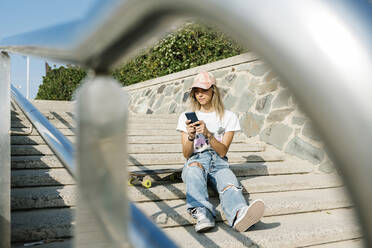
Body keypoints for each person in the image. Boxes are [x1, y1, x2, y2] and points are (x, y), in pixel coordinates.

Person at [176, 71, 265, 233]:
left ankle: (239, 213)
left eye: (203, 90)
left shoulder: (229, 117)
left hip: (219, 161)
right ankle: (202, 213)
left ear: (213, 91)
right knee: (194, 169)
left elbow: (223, 151)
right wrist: (190, 136)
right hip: (197, 159)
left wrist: (208, 134)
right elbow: (186, 154)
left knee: (228, 180)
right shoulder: (185, 117)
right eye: (196, 91)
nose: (199, 94)